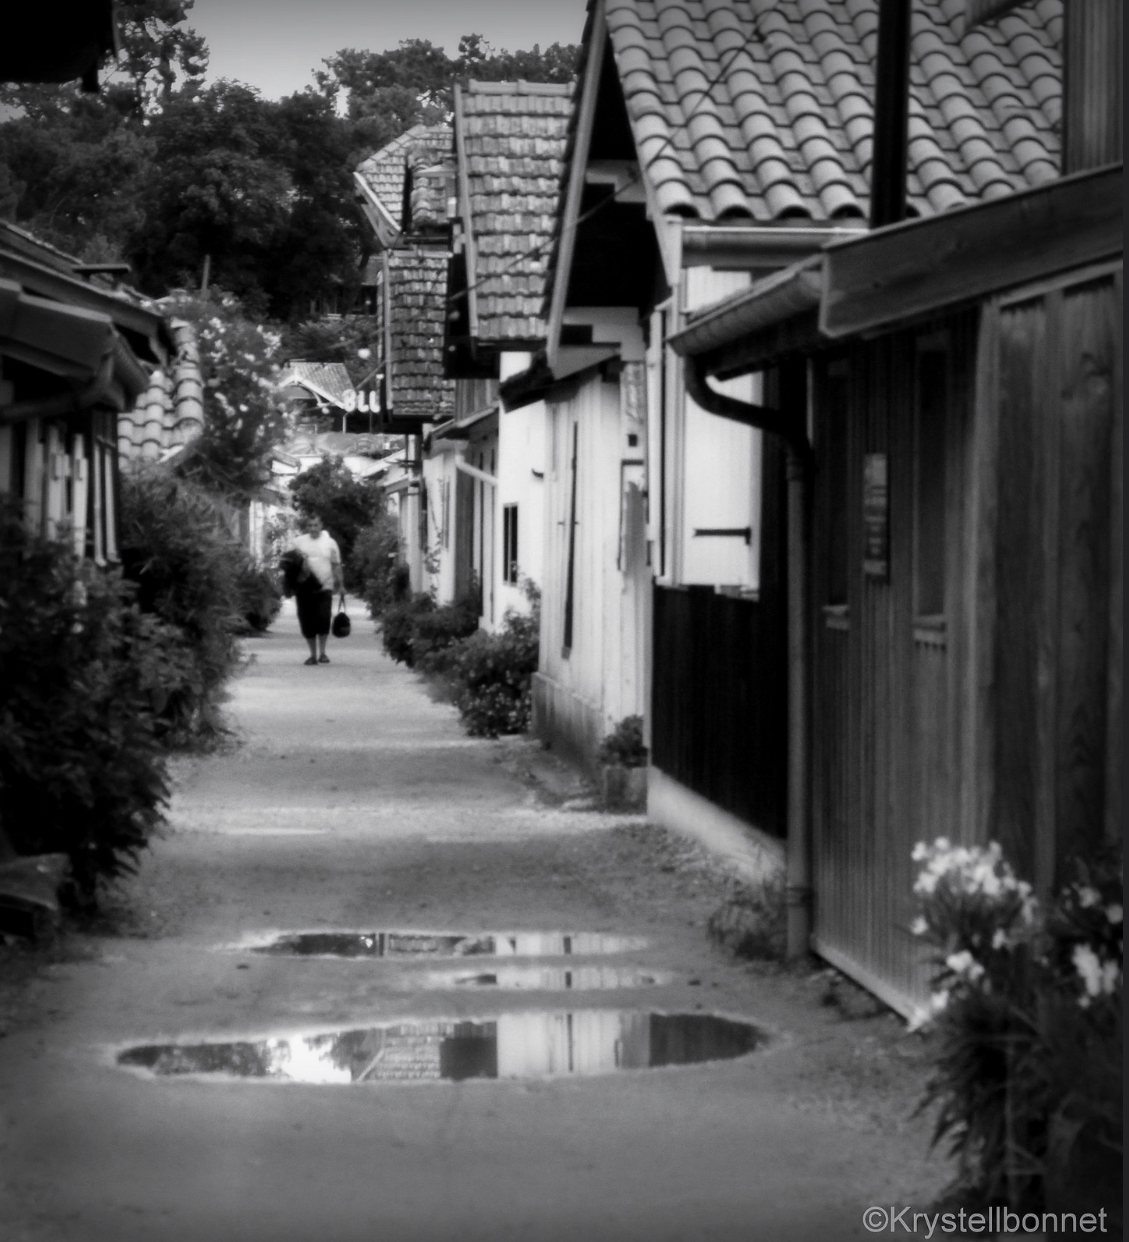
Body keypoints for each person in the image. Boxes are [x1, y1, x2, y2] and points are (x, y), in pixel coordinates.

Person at [290, 514, 344, 665]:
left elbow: (336, 565)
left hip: (324, 587)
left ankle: (323, 652)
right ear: (307, 527)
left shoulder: (330, 543)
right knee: (306, 621)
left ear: (321, 526)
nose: (313, 528)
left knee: (323, 618)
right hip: (304, 589)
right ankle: (312, 654)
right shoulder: (298, 543)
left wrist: (341, 584)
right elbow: (289, 564)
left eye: (316, 525)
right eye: (310, 525)